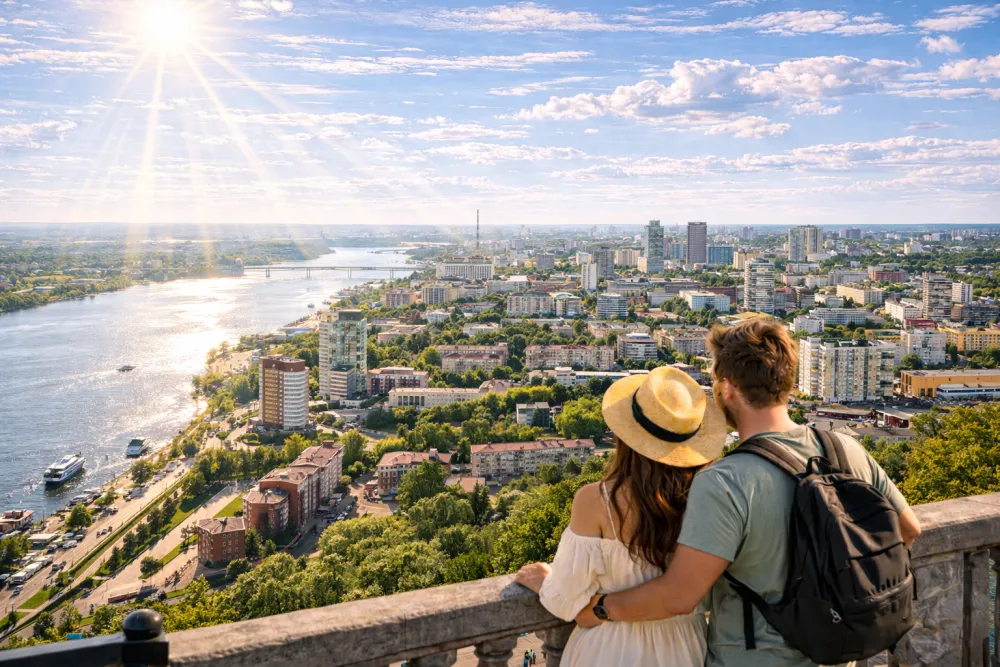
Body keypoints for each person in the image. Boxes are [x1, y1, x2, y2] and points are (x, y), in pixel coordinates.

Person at [569, 319, 923, 667]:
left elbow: (679, 596)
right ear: (788, 383)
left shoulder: (725, 482)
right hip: (838, 650)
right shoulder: (845, 448)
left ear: (727, 389)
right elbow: (909, 530)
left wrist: (599, 607)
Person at [515, 365, 729, 667]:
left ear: (625, 437)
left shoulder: (597, 501)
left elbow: (568, 600)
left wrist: (542, 581)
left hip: (610, 648)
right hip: (687, 649)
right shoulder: (713, 502)